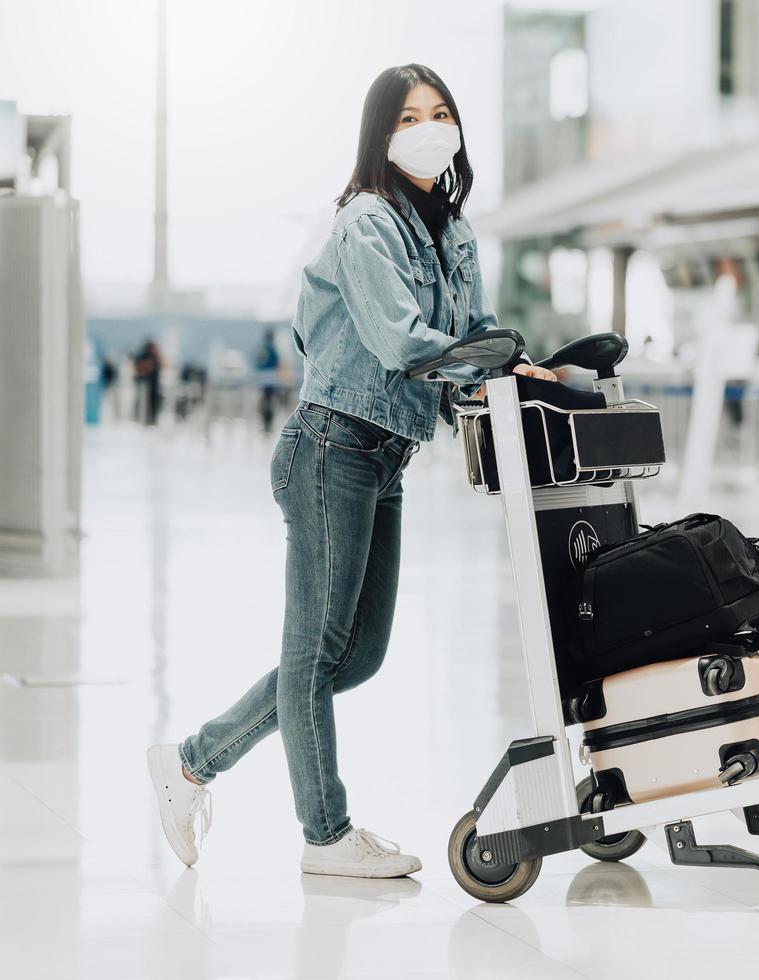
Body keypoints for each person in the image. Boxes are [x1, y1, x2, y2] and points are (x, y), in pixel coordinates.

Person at [145, 64, 556, 879]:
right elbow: (402, 340)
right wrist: (491, 356)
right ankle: (325, 835)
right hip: (332, 446)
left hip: (385, 451)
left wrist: (520, 369)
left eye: (441, 113)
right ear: (381, 134)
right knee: (315, 651)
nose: (429, 128)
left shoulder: (456, 233)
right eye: (409, 117)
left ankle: (188, 763)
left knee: (353, 657)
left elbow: (469, 336)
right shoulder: (367, 222)